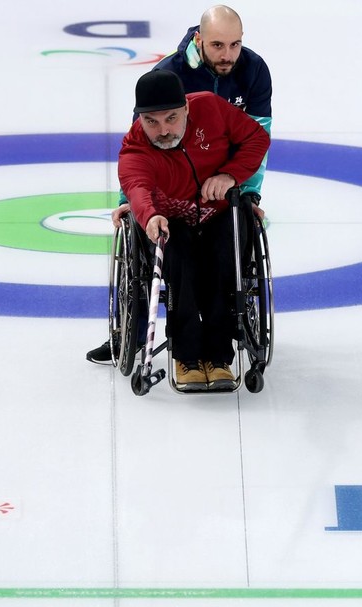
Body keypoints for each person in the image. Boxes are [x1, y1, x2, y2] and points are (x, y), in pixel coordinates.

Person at [88, 5, 272, 364]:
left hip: (222, 183)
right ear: (199, 40)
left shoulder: (252, 71)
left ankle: (225, 339)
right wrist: (136, 206)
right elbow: (141, 152)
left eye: (235, 45)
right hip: (173, 194)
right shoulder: (167, 76)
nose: (227, 55)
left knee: (231, 242)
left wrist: (244, 190)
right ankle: (134, 332)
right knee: (167, 253)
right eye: (218, 45)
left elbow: (258, 135)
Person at [117, 69, 269, 391]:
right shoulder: (135, 149)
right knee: (180, 258)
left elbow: (257, 138)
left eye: (171, 118)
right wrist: (149, 218)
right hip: (173, 222)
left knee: (223, 255)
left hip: (219, 213)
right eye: (152, 122)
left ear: (186, 107)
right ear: (140, 118)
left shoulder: (211, 108)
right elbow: (137, 187)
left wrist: (230, 175)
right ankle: (186, 356)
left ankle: (218, 356)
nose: (163, 130)